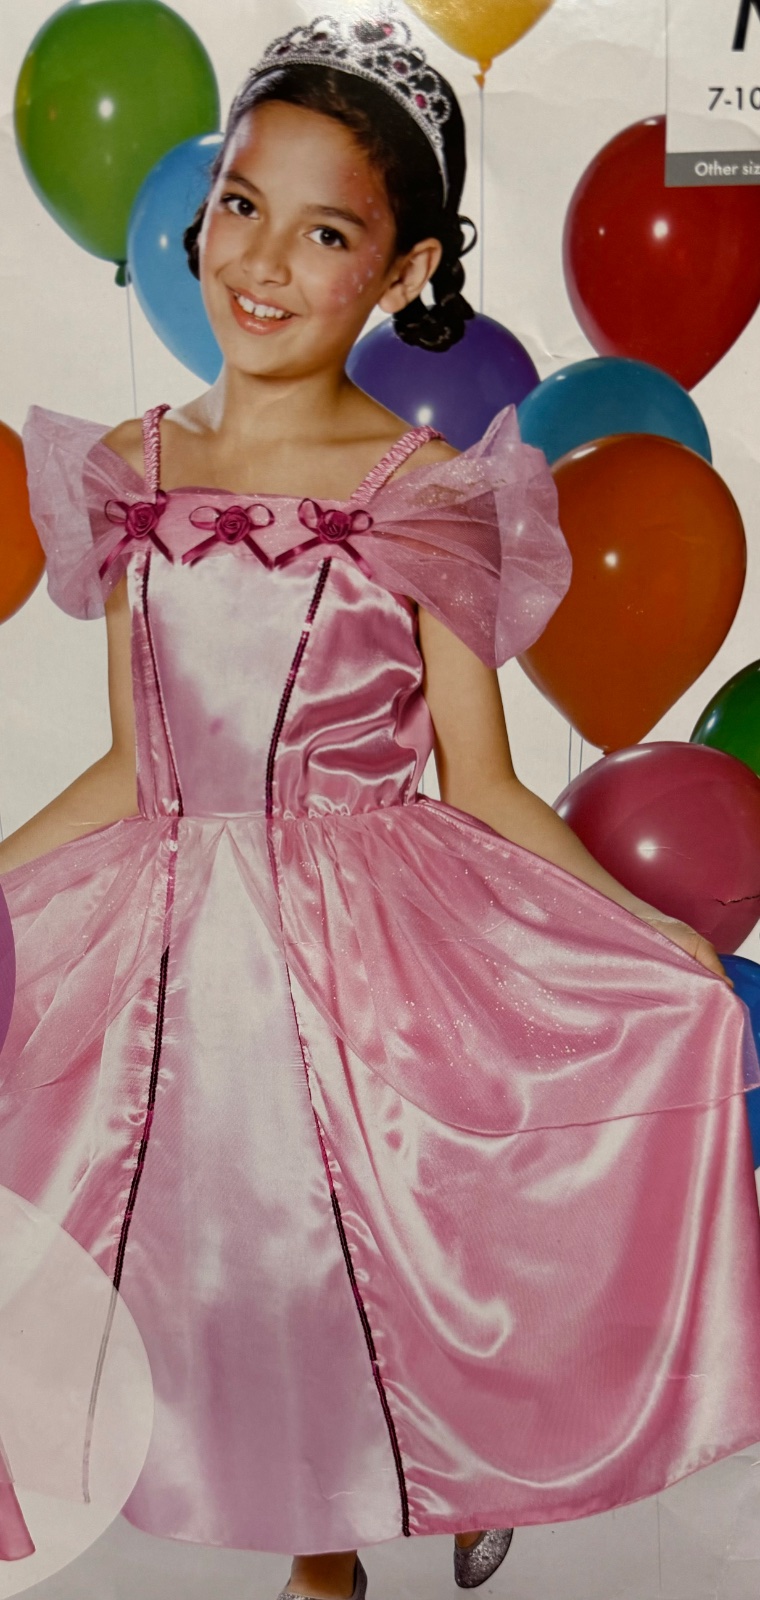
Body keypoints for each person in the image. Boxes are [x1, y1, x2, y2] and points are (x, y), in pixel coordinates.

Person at [2, 11, 760, 1600]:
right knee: (225, 1246)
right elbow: (138, 766)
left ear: (406, 270)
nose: (264, 261)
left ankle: (430, 1486)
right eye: (241, 205)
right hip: (172, 929)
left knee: (376, 1216)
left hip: (360, 937)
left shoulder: (423, 497)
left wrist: (649, 933)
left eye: (326, 232)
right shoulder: (135, 469)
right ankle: (330, 1535)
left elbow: (480, 778)